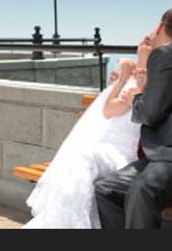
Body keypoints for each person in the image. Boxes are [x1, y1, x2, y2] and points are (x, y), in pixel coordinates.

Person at [94, 7, 172, 229]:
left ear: (160, 26)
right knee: (106, 188)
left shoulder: (165, 54)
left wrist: (135, 97)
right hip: (168, 156)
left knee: (142, 190)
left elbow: (149, 113)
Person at [22, 49, 153, 228]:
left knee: (84, 159)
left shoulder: (153, 84)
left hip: (122, 152)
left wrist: (137, 93)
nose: (146, 40)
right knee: (80, 159)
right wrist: (122, 79)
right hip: (105, 145)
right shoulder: (127, 79)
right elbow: (108, 111)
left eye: (151, 40)